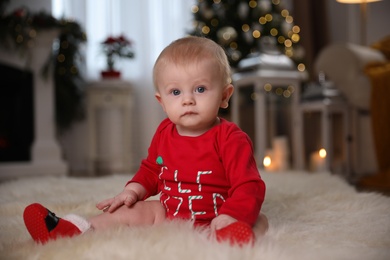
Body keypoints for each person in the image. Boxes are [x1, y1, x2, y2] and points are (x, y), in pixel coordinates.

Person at [23, 36, 268, 246]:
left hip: (216, 217)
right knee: (130, 210)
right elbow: (152, 170)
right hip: (168, 214)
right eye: (176, 92)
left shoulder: (231, 139)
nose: (188, 100)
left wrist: (230, 216)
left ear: (225, 96)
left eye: (200, 89)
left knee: (259, 220)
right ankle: (72, 229)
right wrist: (132, 190)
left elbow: (249, 186)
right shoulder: (164, 132)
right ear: (162, 102)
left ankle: (233, 238)